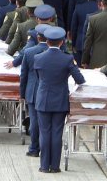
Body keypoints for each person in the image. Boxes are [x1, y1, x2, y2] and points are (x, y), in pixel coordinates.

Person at [34, 26, 86, 174]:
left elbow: (39, 78)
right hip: (60, 100)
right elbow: (80, 79)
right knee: (57, 132)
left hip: (43, 98)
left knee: (44, 133)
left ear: (47, 41)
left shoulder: (38, 58)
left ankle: (44, 166)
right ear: (62, 42)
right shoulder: (67, 58)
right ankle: (55, 166)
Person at [19, 24, 50, 158]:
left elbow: (23, 75)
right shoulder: (55, 52)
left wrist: (22, 94)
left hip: (32, 90)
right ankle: (46, 149)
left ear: (38, 37)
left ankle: (34, 148)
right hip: (49, 91)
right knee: (47, 122)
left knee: (34, 121)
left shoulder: (29, 52)